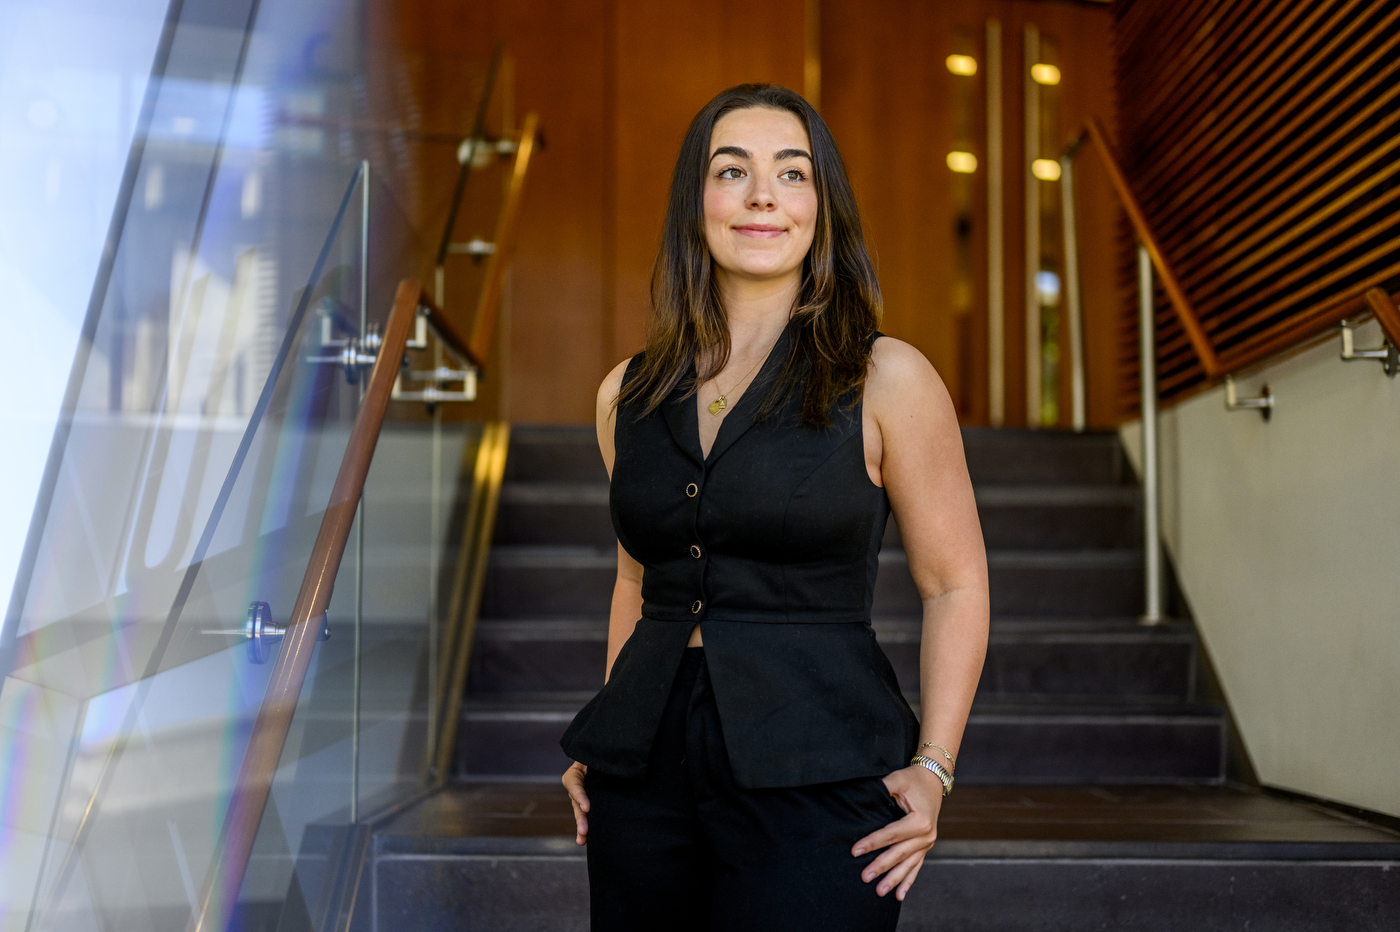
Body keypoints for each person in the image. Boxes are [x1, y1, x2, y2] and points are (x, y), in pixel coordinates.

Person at [560, 83, 988, 931]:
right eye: (733, 171)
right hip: (643, 772)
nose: (763, 195)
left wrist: (934, 767)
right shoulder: (626, 393)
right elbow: (636, 580)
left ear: (820, 207)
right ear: (698, 203)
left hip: (821, 759)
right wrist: (612, 730)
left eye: (792, 174)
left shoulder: (886, 377)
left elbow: (955, 584)